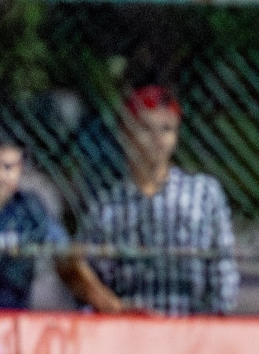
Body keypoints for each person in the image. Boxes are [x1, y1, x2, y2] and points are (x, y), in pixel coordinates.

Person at [75, 86, 239, 315]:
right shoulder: (108, 207)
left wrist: (212, 326)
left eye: (166, 129)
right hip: (128, 329)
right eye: (146, 128)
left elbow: (223, 272)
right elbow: (91, 278)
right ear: (126, 134)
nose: (157, 139)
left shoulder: (203, 194)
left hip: (191, 327)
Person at [0, 128, 115, 310]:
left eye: (8, 167)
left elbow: (62, 250)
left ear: (20, 169)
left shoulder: (28, 209)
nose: (0, 177)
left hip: (13, 315)